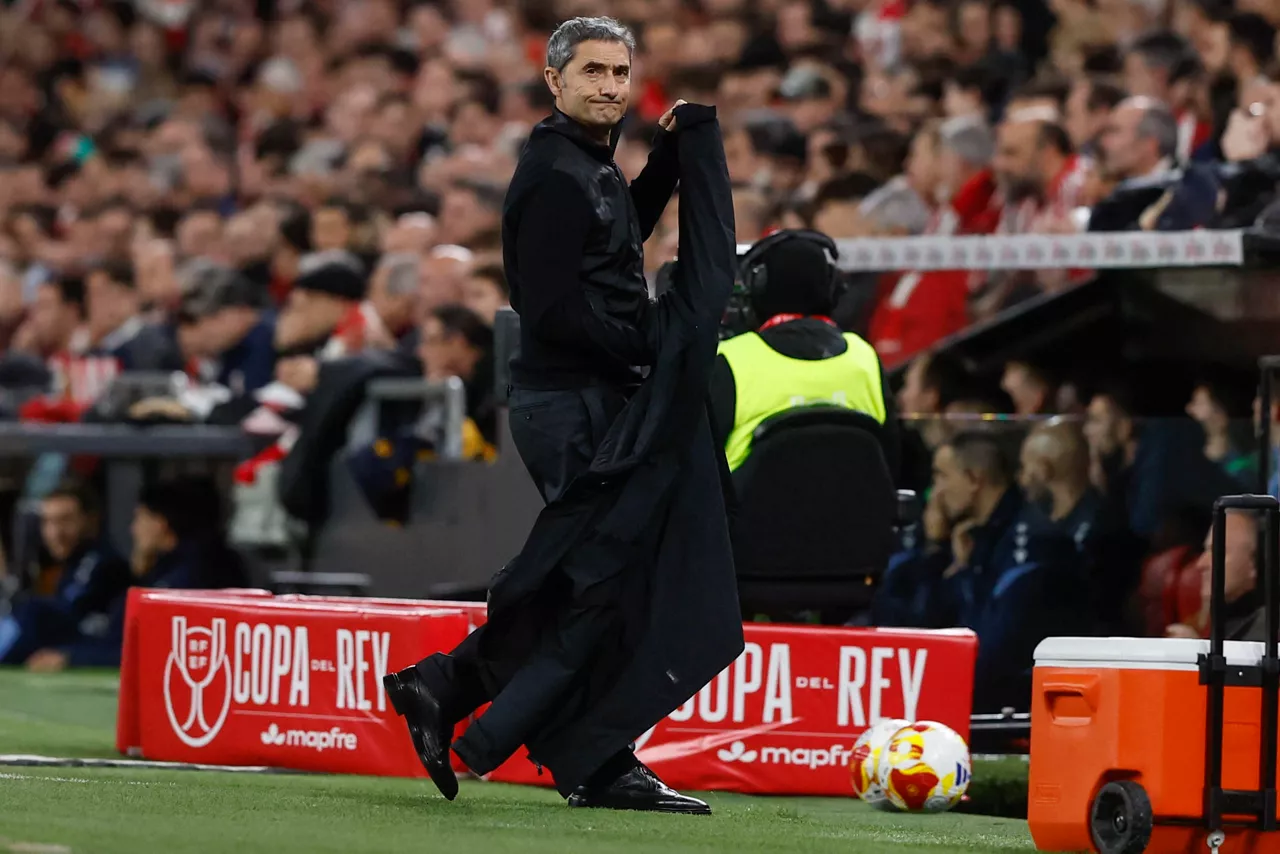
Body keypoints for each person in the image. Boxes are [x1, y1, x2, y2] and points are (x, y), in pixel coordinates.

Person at [383, 17, 741, 814]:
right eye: (593, 72)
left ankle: (457, 692)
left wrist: (668, 160)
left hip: (589, 397)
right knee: (600, 580)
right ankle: (578, 751)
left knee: (599, 580)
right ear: (554, 80)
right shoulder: (552, 173)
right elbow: (548, 312)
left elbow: (613, 245)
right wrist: (649, 343)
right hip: (569, 402)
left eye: (619, 72)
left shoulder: (586, 161)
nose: (610, 86)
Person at [709, 229, 899, 479]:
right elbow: (892, 461)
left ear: (758, 288)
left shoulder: (731, 360)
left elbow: (688, 460)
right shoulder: (865, 359)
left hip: (753, 504)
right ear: (833, 289)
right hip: (855, 504)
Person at [0, 480, 129, 667]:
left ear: (91, 520)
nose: (55, 533)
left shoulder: (103, 562)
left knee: (31, 610)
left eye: (66, 520)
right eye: (47, 522)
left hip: (99, 651)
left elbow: (63, 615)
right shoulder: (71, 565)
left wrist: (71, 656)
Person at [1167, 511, 1266, 640]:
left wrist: (1197, 649)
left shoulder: (1266, 632)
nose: (1201, 564)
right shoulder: (1203, 622)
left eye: (1218, 552)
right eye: (1205, 550)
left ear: (1255, 563)